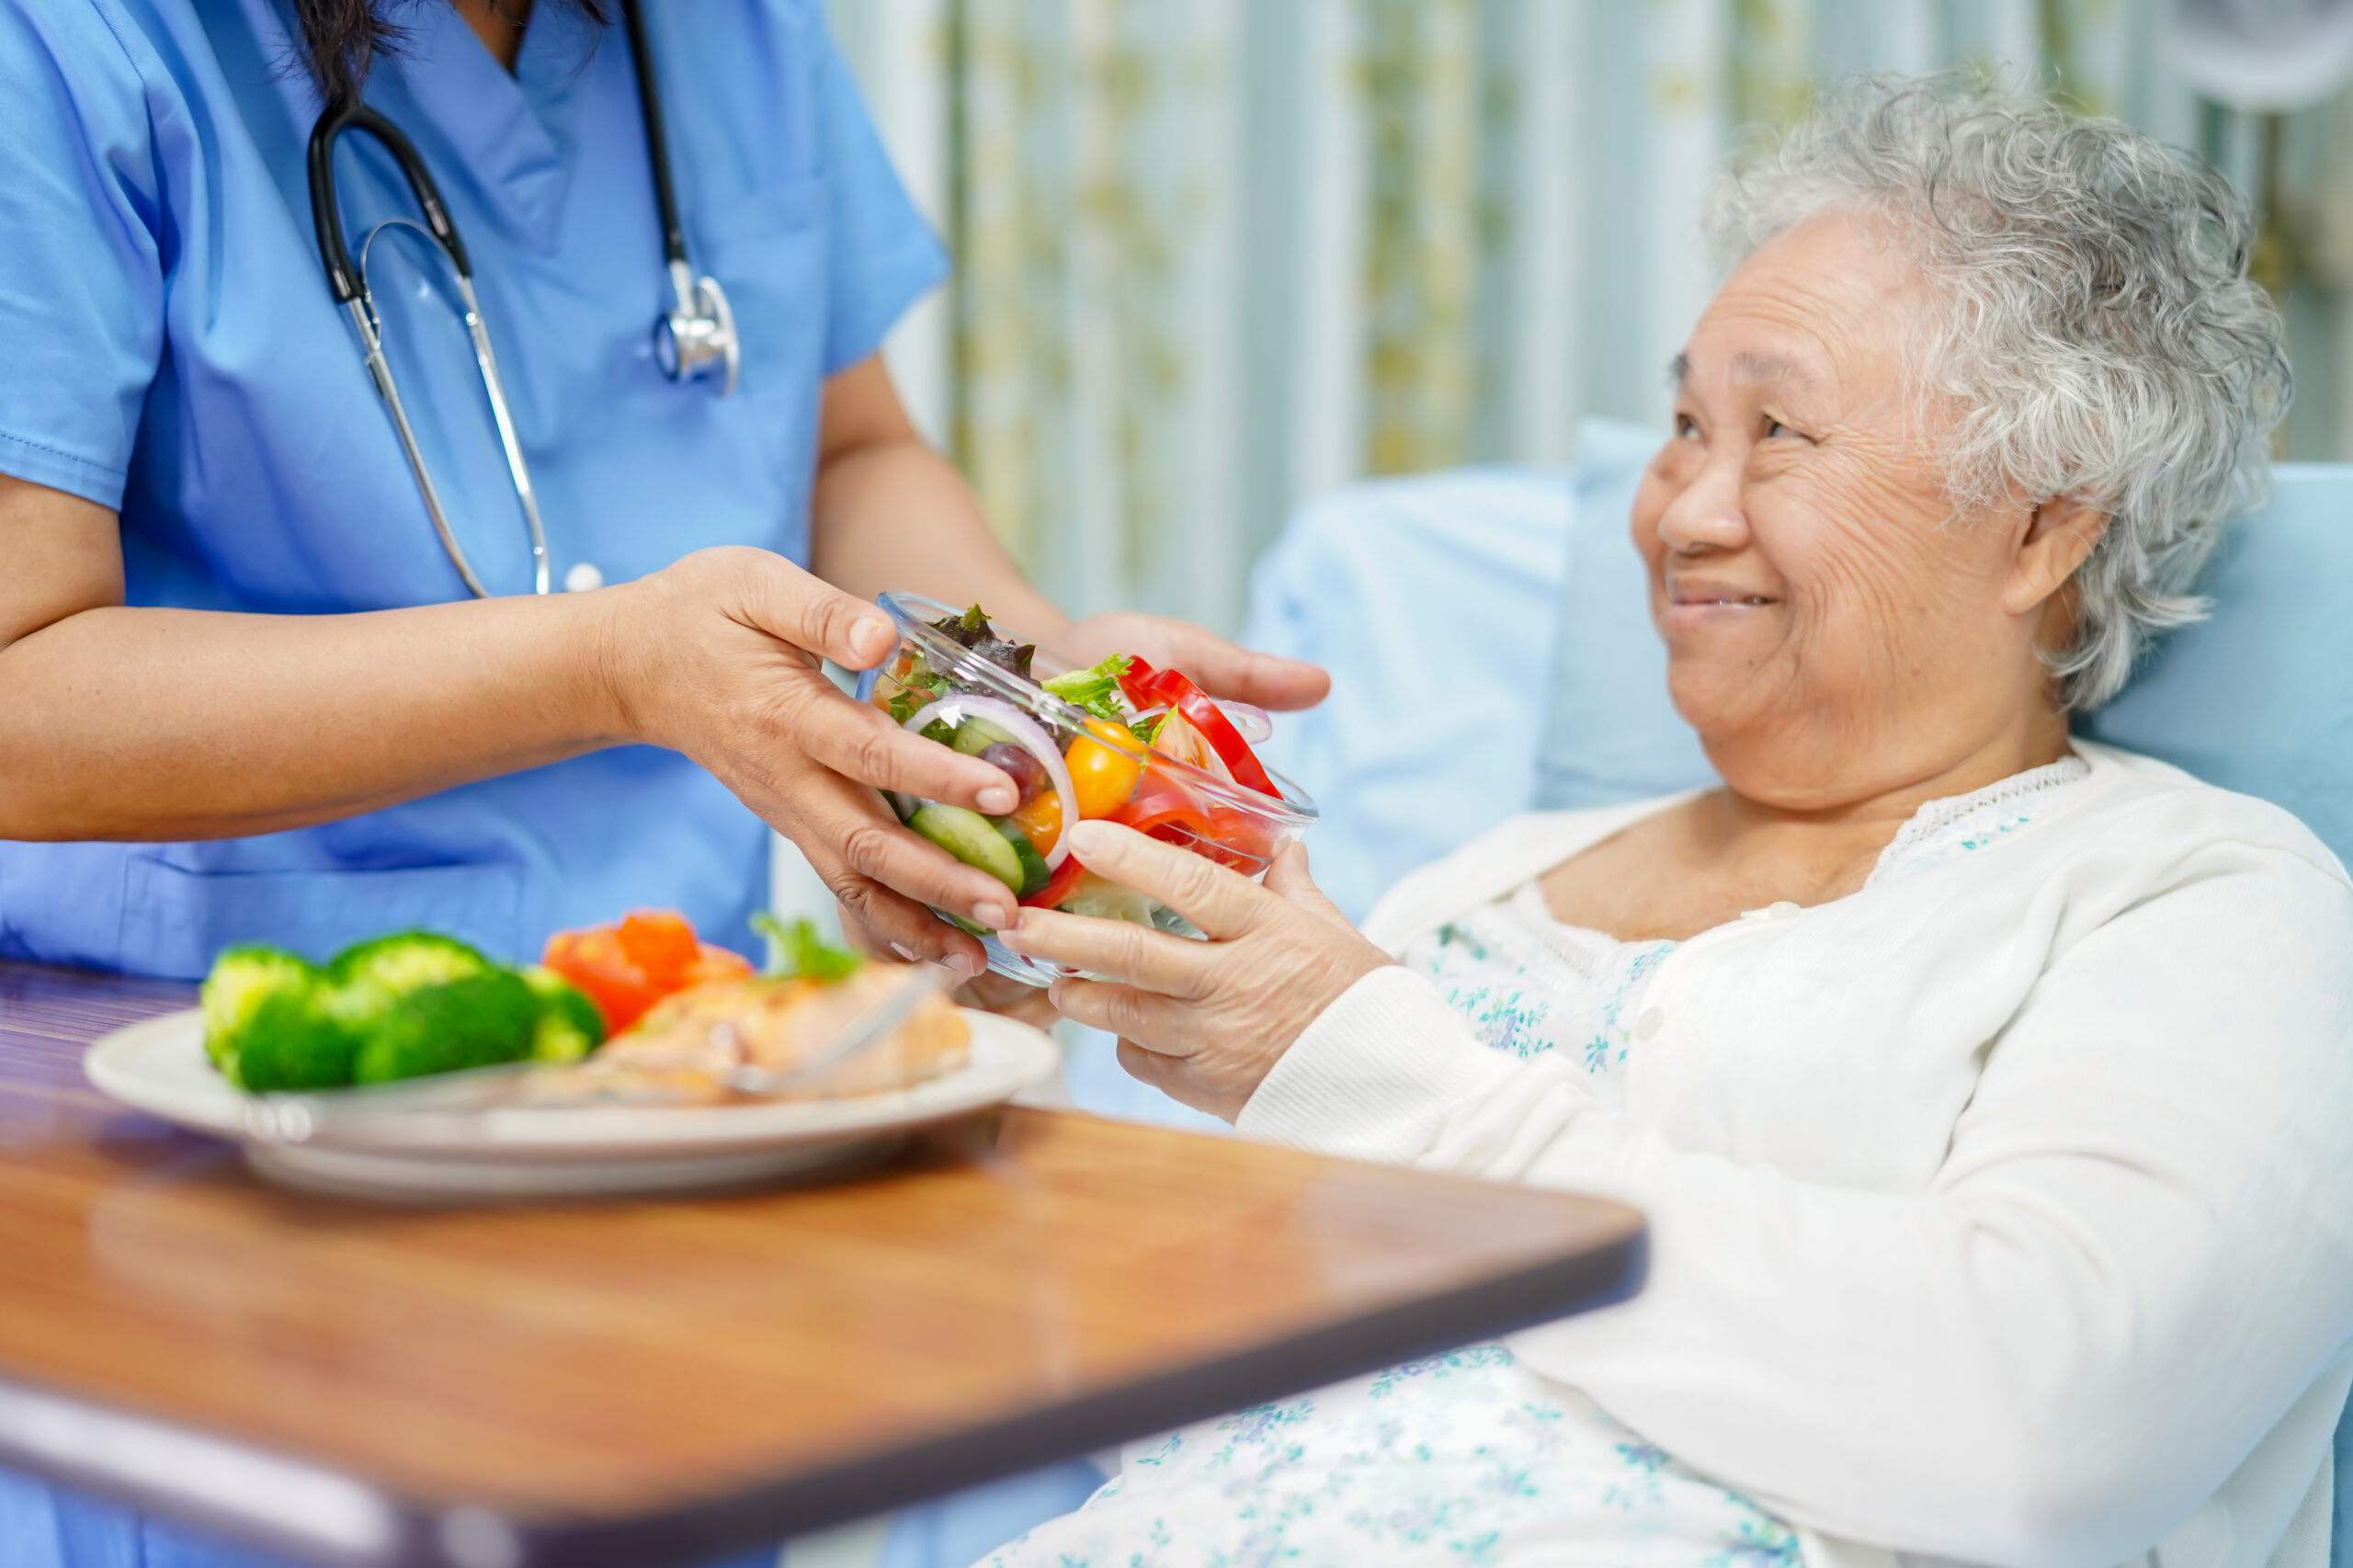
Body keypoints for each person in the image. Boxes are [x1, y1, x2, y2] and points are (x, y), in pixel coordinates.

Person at [0, 0, 1321, 1562]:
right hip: (215, 1140)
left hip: (682, 1092)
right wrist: (608, 663)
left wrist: (1027, 703)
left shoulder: (728, 31)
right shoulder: (75, 41)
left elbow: (852, 450)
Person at [984, 80, 2353, 1567]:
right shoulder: (1482, 886)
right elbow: (1189, 1394)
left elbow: (2043, 1431)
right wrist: (997, 996)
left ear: (2042, 528)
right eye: (1684, 422)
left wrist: (1376, 1076)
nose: (1683, 510)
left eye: (1780, 433)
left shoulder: (2203, 905)